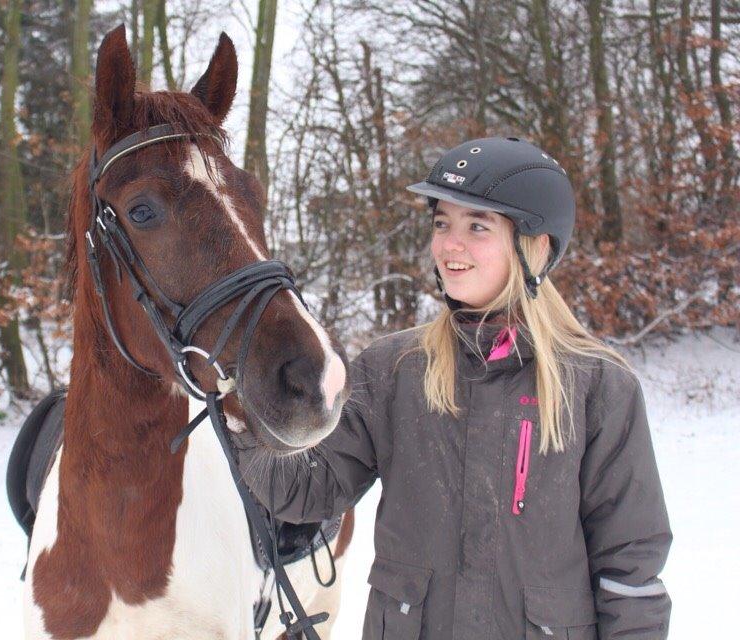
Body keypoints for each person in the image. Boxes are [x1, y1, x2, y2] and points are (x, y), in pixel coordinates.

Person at [232, 137, 672, 639]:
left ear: (536, 246)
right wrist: (243, 409)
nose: (449, 244)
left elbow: (630, 570)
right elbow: (310, 490)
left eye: (476, 226)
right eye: (442, 223)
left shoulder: (598, 388)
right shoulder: (394, 368)